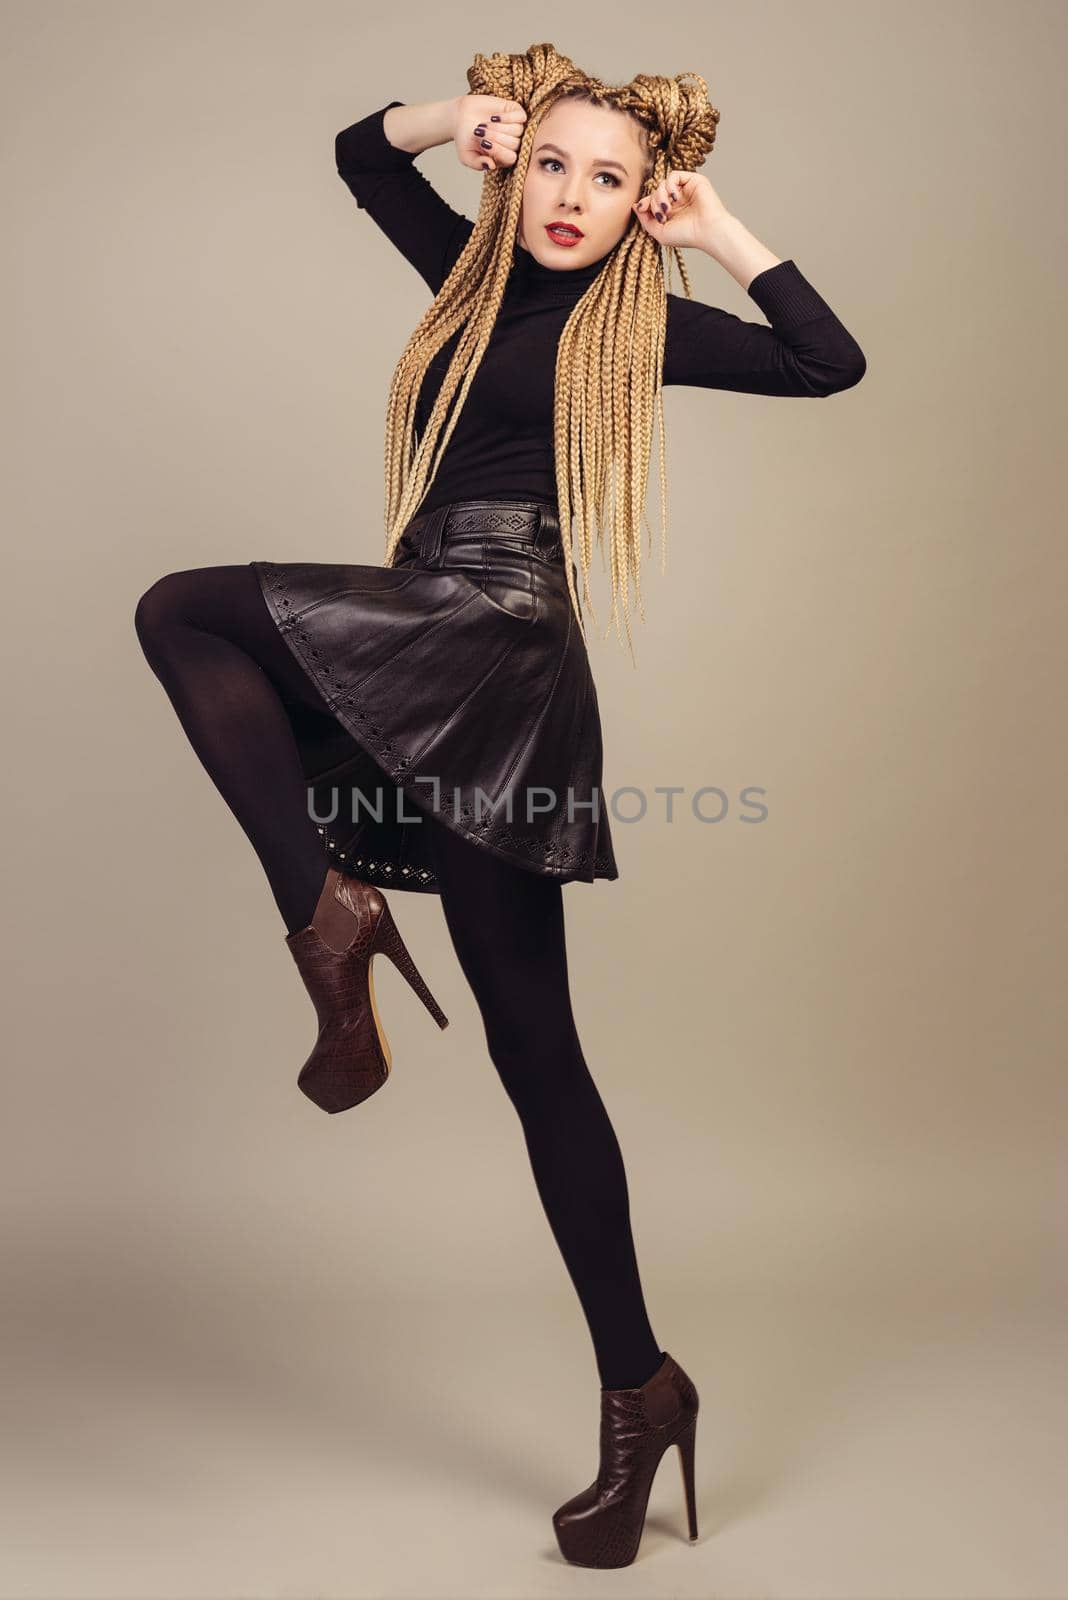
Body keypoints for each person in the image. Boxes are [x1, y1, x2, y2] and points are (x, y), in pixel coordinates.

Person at [134, 40, 866, 1569]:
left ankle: (330, 912)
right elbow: (356, 155)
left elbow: (824, 361)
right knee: (540, 1055)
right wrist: (438, 117)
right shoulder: (464, 282)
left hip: (503, 639)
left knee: (187, 613)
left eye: (610, 180)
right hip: (433, 626)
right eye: (552, 164)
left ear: (634, 204)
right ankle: (644, 1386)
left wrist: (717, 228)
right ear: (513, 167)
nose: (574, 198)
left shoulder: (639, 323)